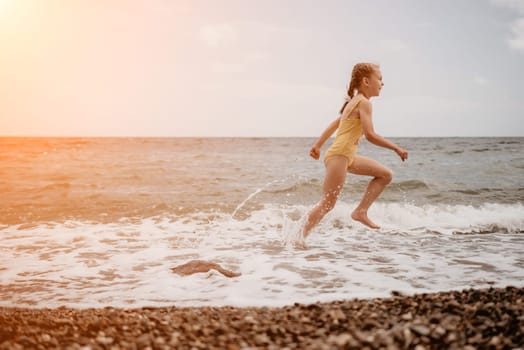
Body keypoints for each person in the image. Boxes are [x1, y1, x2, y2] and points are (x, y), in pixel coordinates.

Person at [303, 63, 408, 239]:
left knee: (385, 175)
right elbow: (370, 135)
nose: (383, 83)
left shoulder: (353, 102)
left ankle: (360, 212)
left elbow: (335, 124)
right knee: (327, 204)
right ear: (366, 81)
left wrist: (318, 145)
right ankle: (298, 237)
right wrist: (396, 147)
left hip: (345, 156)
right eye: (380, 79)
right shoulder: (364, 103)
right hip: (339, 155)